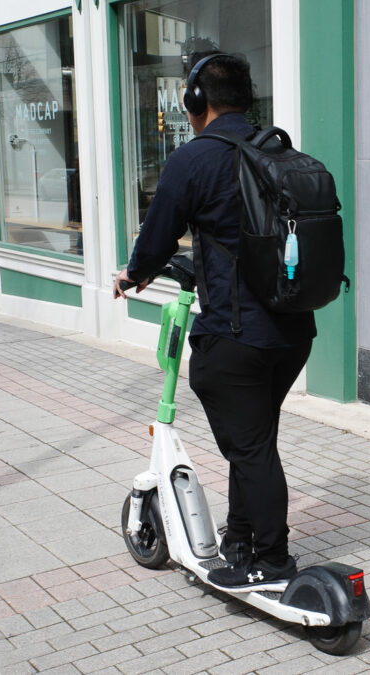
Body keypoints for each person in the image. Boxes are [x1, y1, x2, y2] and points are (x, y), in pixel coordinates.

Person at [113, 53, 315, 592]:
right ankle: (240, 540)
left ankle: (271, 560)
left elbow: (154, 242)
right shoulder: (279, 151)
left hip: (236, 334)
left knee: (249, 445)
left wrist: (133, 275)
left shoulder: (193, 160)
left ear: (196, 101)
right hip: (294, 331)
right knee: (252, 440)